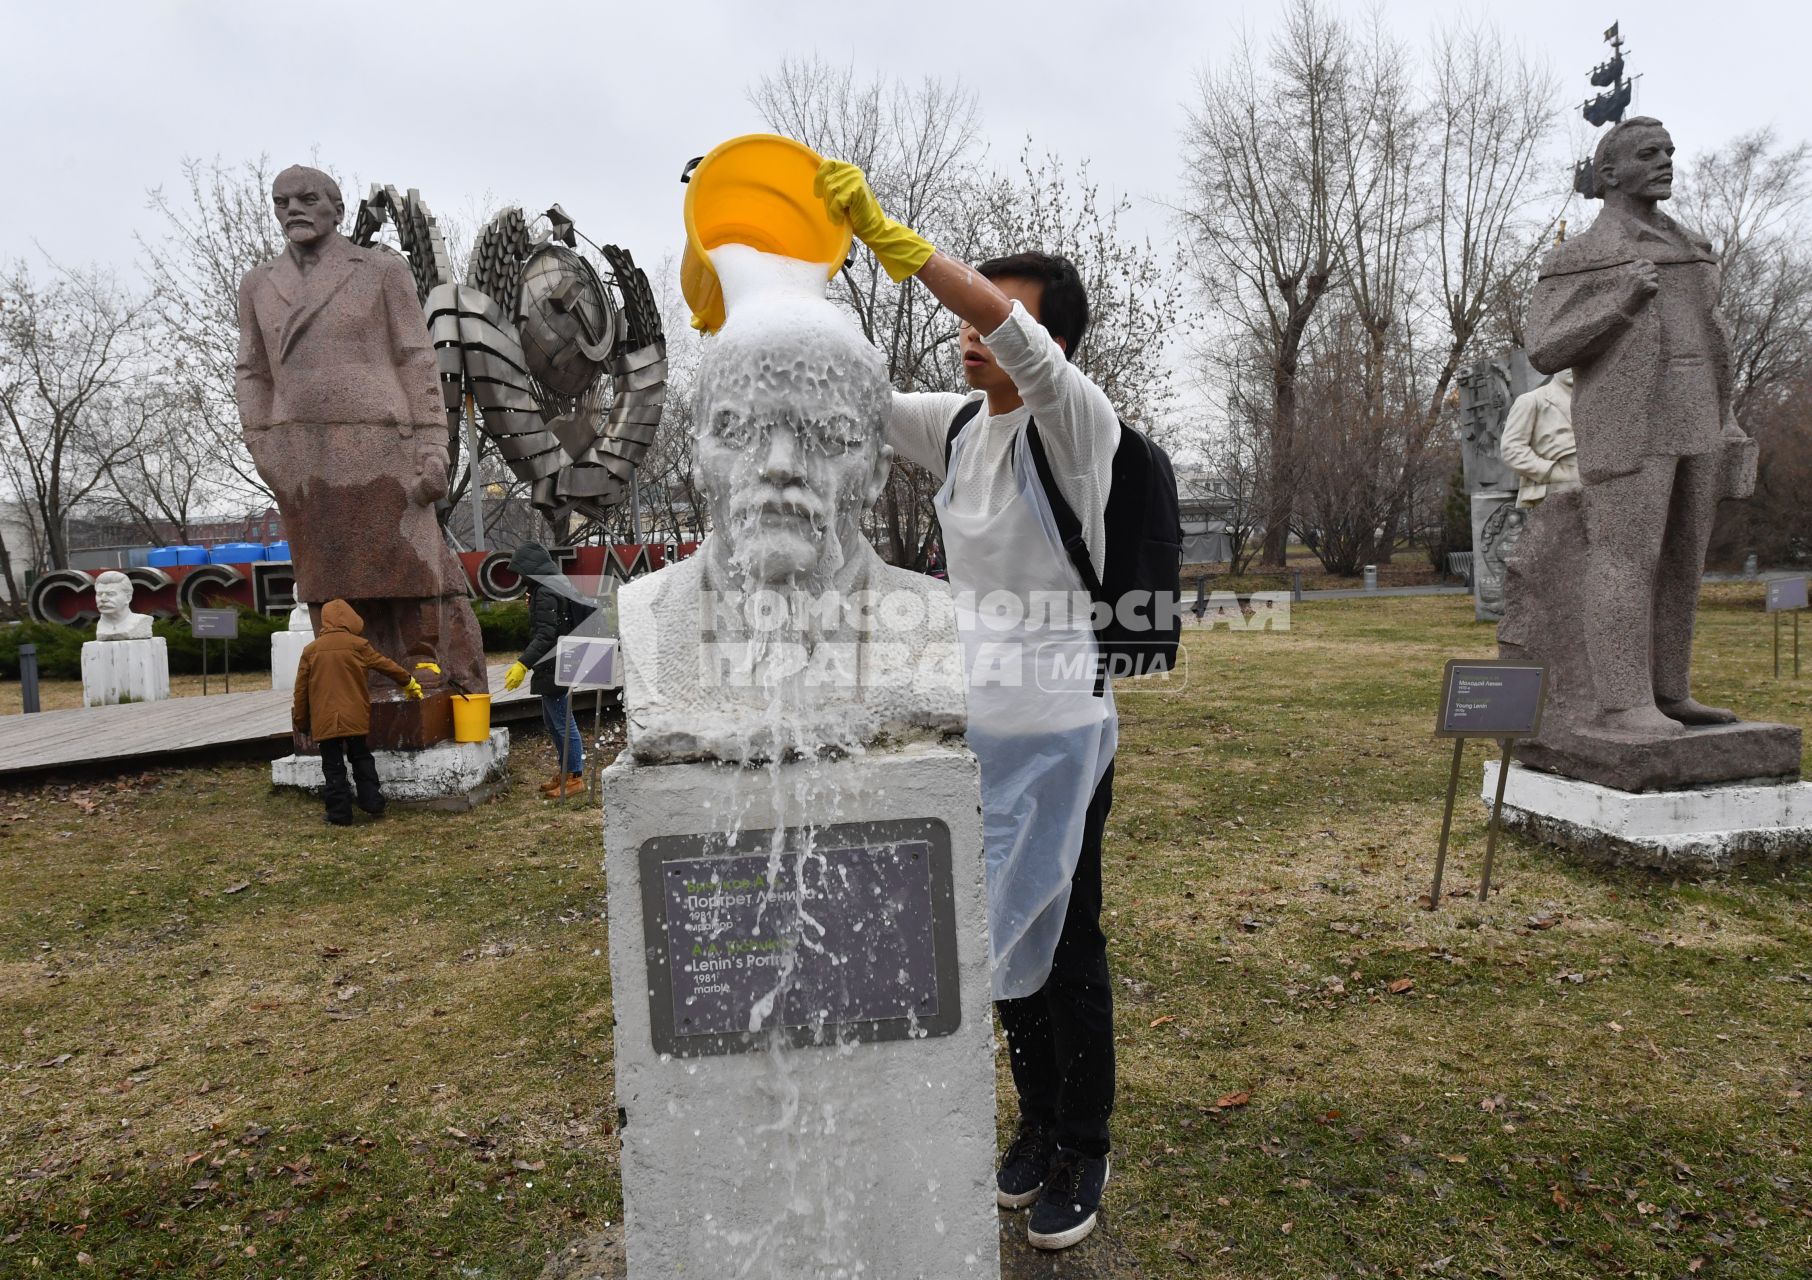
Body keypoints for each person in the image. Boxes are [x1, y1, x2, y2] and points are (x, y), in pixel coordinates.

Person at [817, 161, 1121, 1251]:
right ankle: (1035, 1121)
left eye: (994, 320)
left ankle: (1084, 1142)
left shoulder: (1078, 425)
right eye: (965, 320)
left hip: (1064, 733)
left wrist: (899, 238)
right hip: (973, 728)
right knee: (993, 937)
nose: (969, 334)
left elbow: (1017, 340)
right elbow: (846, 393)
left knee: (1068, 937)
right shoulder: (956, 428)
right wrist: (786, 262)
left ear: (1054, 347)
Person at [1528, 116, 1754, 735]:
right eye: (1649, 154)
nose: (1665, 162)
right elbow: (1545, 349)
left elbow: (1714, 341)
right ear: (1608, 175)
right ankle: (1624, 701)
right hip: (1629, 423)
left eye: (1670, 152)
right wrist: (1619, 303)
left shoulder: (1694, 249)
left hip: (1699, 419)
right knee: (1626, 559)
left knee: (1684, 564)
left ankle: (1669, 692)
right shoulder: (1579, 257)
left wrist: (1729, 419)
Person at [235, 164, 487, 697]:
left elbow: (416, 357)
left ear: (337, 209)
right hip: (302, 453)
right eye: (281, 202)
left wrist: (432, 445)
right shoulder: (259, 284)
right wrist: (263, 443)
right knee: (327, 572)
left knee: (407, 562)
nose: (292, 210)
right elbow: (252, 372)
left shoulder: (379, 270)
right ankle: (351, 675)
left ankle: (427, 667)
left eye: (306, 199)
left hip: (383, 443)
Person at [293, 599, 422, 825]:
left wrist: (302, 722)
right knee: (361, 757)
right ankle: (373, 804)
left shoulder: (311, 651)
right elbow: (386, 665)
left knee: (333, 767)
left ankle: (339, 814)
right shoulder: (358, 645)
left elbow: (301, 691)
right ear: (351, 619)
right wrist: (409, 682)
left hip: (325, 721)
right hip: (354, 717)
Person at [503, 543, 589, 798]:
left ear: (531, 569)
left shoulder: (547, 590)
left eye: (522, 572)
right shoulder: (551, 585)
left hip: (556, 663)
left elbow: (546, 634)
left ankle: (575, 776)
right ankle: (566, 772)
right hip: (557, 661)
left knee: (562, 722)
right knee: (553, 721)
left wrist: (522, 663)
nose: (520, 578)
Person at [1499, 369, 1579, 508]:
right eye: (1565, 363)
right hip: (1555, 486)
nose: (1570, 368)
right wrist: (1551, 471)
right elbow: (1511, 450)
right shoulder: (1531, 400)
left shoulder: (1592, 398)